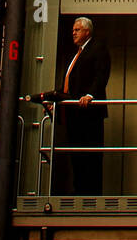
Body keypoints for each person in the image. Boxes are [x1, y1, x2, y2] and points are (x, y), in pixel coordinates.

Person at [31, 16, 111, 195]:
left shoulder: (97, 48)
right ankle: (79, 194)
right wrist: (56, 104)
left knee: (90, 157)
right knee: (76, 156)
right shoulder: (76, 54)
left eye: (77, 30)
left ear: (87, 31)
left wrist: (91, 95)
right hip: (74, 115)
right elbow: (68, 85)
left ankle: (90, 197)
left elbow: (101, 74)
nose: (73, 33)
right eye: (73, 30)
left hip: (88, 114)